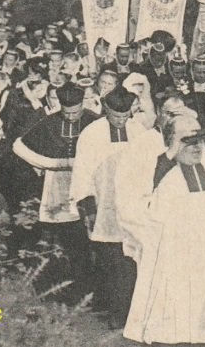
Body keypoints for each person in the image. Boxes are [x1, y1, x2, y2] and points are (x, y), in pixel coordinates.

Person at [123, 112, 205, 345]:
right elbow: (132, 212)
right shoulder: (156, 172)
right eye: (187, 141)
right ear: (171, 142)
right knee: (176, 332)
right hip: (173, 266)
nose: (196, 147)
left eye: (200, 140)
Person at [11, 82, 100, 304]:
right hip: (57, 186)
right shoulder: (49, 123)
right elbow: (18, 146)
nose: (71, 117)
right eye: (67, 112)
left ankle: (87, 291)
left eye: (76, 112)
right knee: (60, 239)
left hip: (89, 186)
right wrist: (51, 163)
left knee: (88, 239)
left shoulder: (94, 121)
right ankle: (56, 290)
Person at [70, 87, 146, 328]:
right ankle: (112, 308)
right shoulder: (92, 133)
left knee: (130, 258)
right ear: (106, 110)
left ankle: (130, 309)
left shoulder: (139, 130)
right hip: (104, 205)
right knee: (108, 257)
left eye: (125, 116)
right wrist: (88, 205)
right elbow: (82, 171)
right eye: (117, 116)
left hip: (133, 205)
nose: (122, 121)